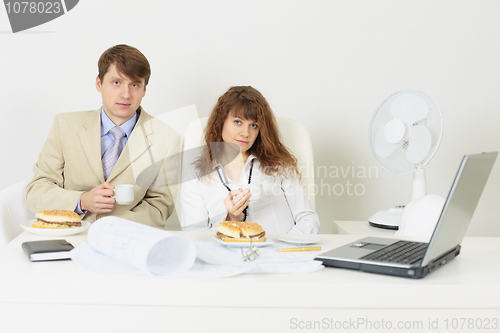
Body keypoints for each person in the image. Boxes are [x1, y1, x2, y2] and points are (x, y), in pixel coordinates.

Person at [26, 44, 180, 229]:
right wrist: (81, 201)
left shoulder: (167, 139)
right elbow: (36, 190)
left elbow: (160, 207)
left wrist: (111, 227)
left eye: (134, 85)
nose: (125, 94)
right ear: (99, 83)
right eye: (116, 83)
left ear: (144, 90)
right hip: (67, 236)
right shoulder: (64, 126)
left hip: (125, 240)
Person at [181, 86, 320, 234]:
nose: (246, 133)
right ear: (220, 122)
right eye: (238, 122)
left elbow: (308, 219)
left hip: (281, 252)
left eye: (253, 125)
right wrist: (231, 220)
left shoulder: (278, 166)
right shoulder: (195, 175)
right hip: (226, 255)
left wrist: (283, 248)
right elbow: (195, 238)